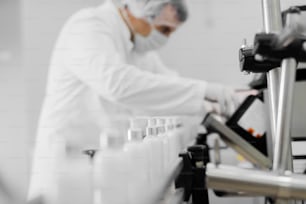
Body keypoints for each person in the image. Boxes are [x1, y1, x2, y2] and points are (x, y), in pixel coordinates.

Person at [27, 0, 244, 203]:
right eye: (164, 29)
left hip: (107, 168)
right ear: (139, 8)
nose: (164, 39)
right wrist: (208, 91)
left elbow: (169, 85)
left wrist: (225, 100)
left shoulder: (137, 50)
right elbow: (118, 84)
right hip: (69, 169)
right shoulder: (88, 27)